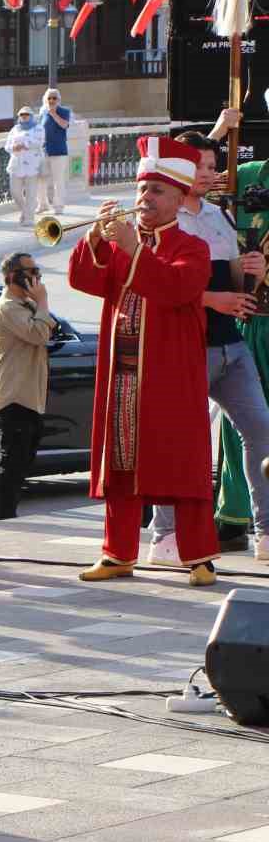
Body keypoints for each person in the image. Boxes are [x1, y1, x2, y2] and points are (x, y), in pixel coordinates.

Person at [69, 135, 219, 586]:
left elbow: (175, 290)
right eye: (141, 190)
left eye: (155, 191)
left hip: (171, 375)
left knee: (182, 461)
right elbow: (83, 280)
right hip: (122, 374)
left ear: (178, 198)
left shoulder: (193, 248)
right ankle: (117, 553)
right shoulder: (121, 244)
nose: (143, 199)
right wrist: (94, 241)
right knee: (119, 460)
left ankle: (200, 557)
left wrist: (133, 249)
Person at [146, 129, 269, 564]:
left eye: (213, 167)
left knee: (261, 431)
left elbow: (232, 281)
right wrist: (212, 299)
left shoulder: (220, 215)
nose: (208, 174)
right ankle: (165, 533)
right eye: (199, 166)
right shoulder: (162, 216)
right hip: (185, 346)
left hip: (230, 345)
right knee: (179, 439)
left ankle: (265, 533)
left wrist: (248, 271)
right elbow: (153, 286)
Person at [209, 108, 269, 559]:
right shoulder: (247, 173)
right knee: (239, 428)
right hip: (246, 322)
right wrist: (219, 130)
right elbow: (191, 185)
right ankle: (233, 517)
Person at [0, 251, 59, 520]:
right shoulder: (7, 307)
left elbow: (50, 327)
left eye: (37, 272)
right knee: (11, 462)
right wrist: (43, 301)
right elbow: (39, 333)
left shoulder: (27, 306)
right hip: (14, 396)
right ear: (11, 277)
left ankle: (9, 514)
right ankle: (4, 519)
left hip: (30, 396)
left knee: (22, 462)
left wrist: (39, 306)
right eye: (30, 273)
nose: (36, 279)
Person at [6, 107, 46, 227]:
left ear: (31, 115)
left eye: (27, 114)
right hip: (16, 164)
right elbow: (7, 146)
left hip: (32, 164)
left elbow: (40, 142)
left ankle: (29, 217)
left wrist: (25, 144)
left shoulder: (39, 128)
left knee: (31, 193)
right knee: (15, 192)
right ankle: (25, 211)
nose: (24, 116)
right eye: (22, 114)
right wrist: (14, 148)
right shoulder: (15, 129)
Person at [40, 88, 74, 214]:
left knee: (58, 180)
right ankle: (43, 204)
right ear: (45, 99)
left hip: (59, 151)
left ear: (58, 100)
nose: (51, 100)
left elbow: (64, 125)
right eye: (49, 98)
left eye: (54, 98)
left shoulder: (64, 111)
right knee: (42, 179)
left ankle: (58, 206)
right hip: (45, 151)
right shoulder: (43, 113)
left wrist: (54, 114)